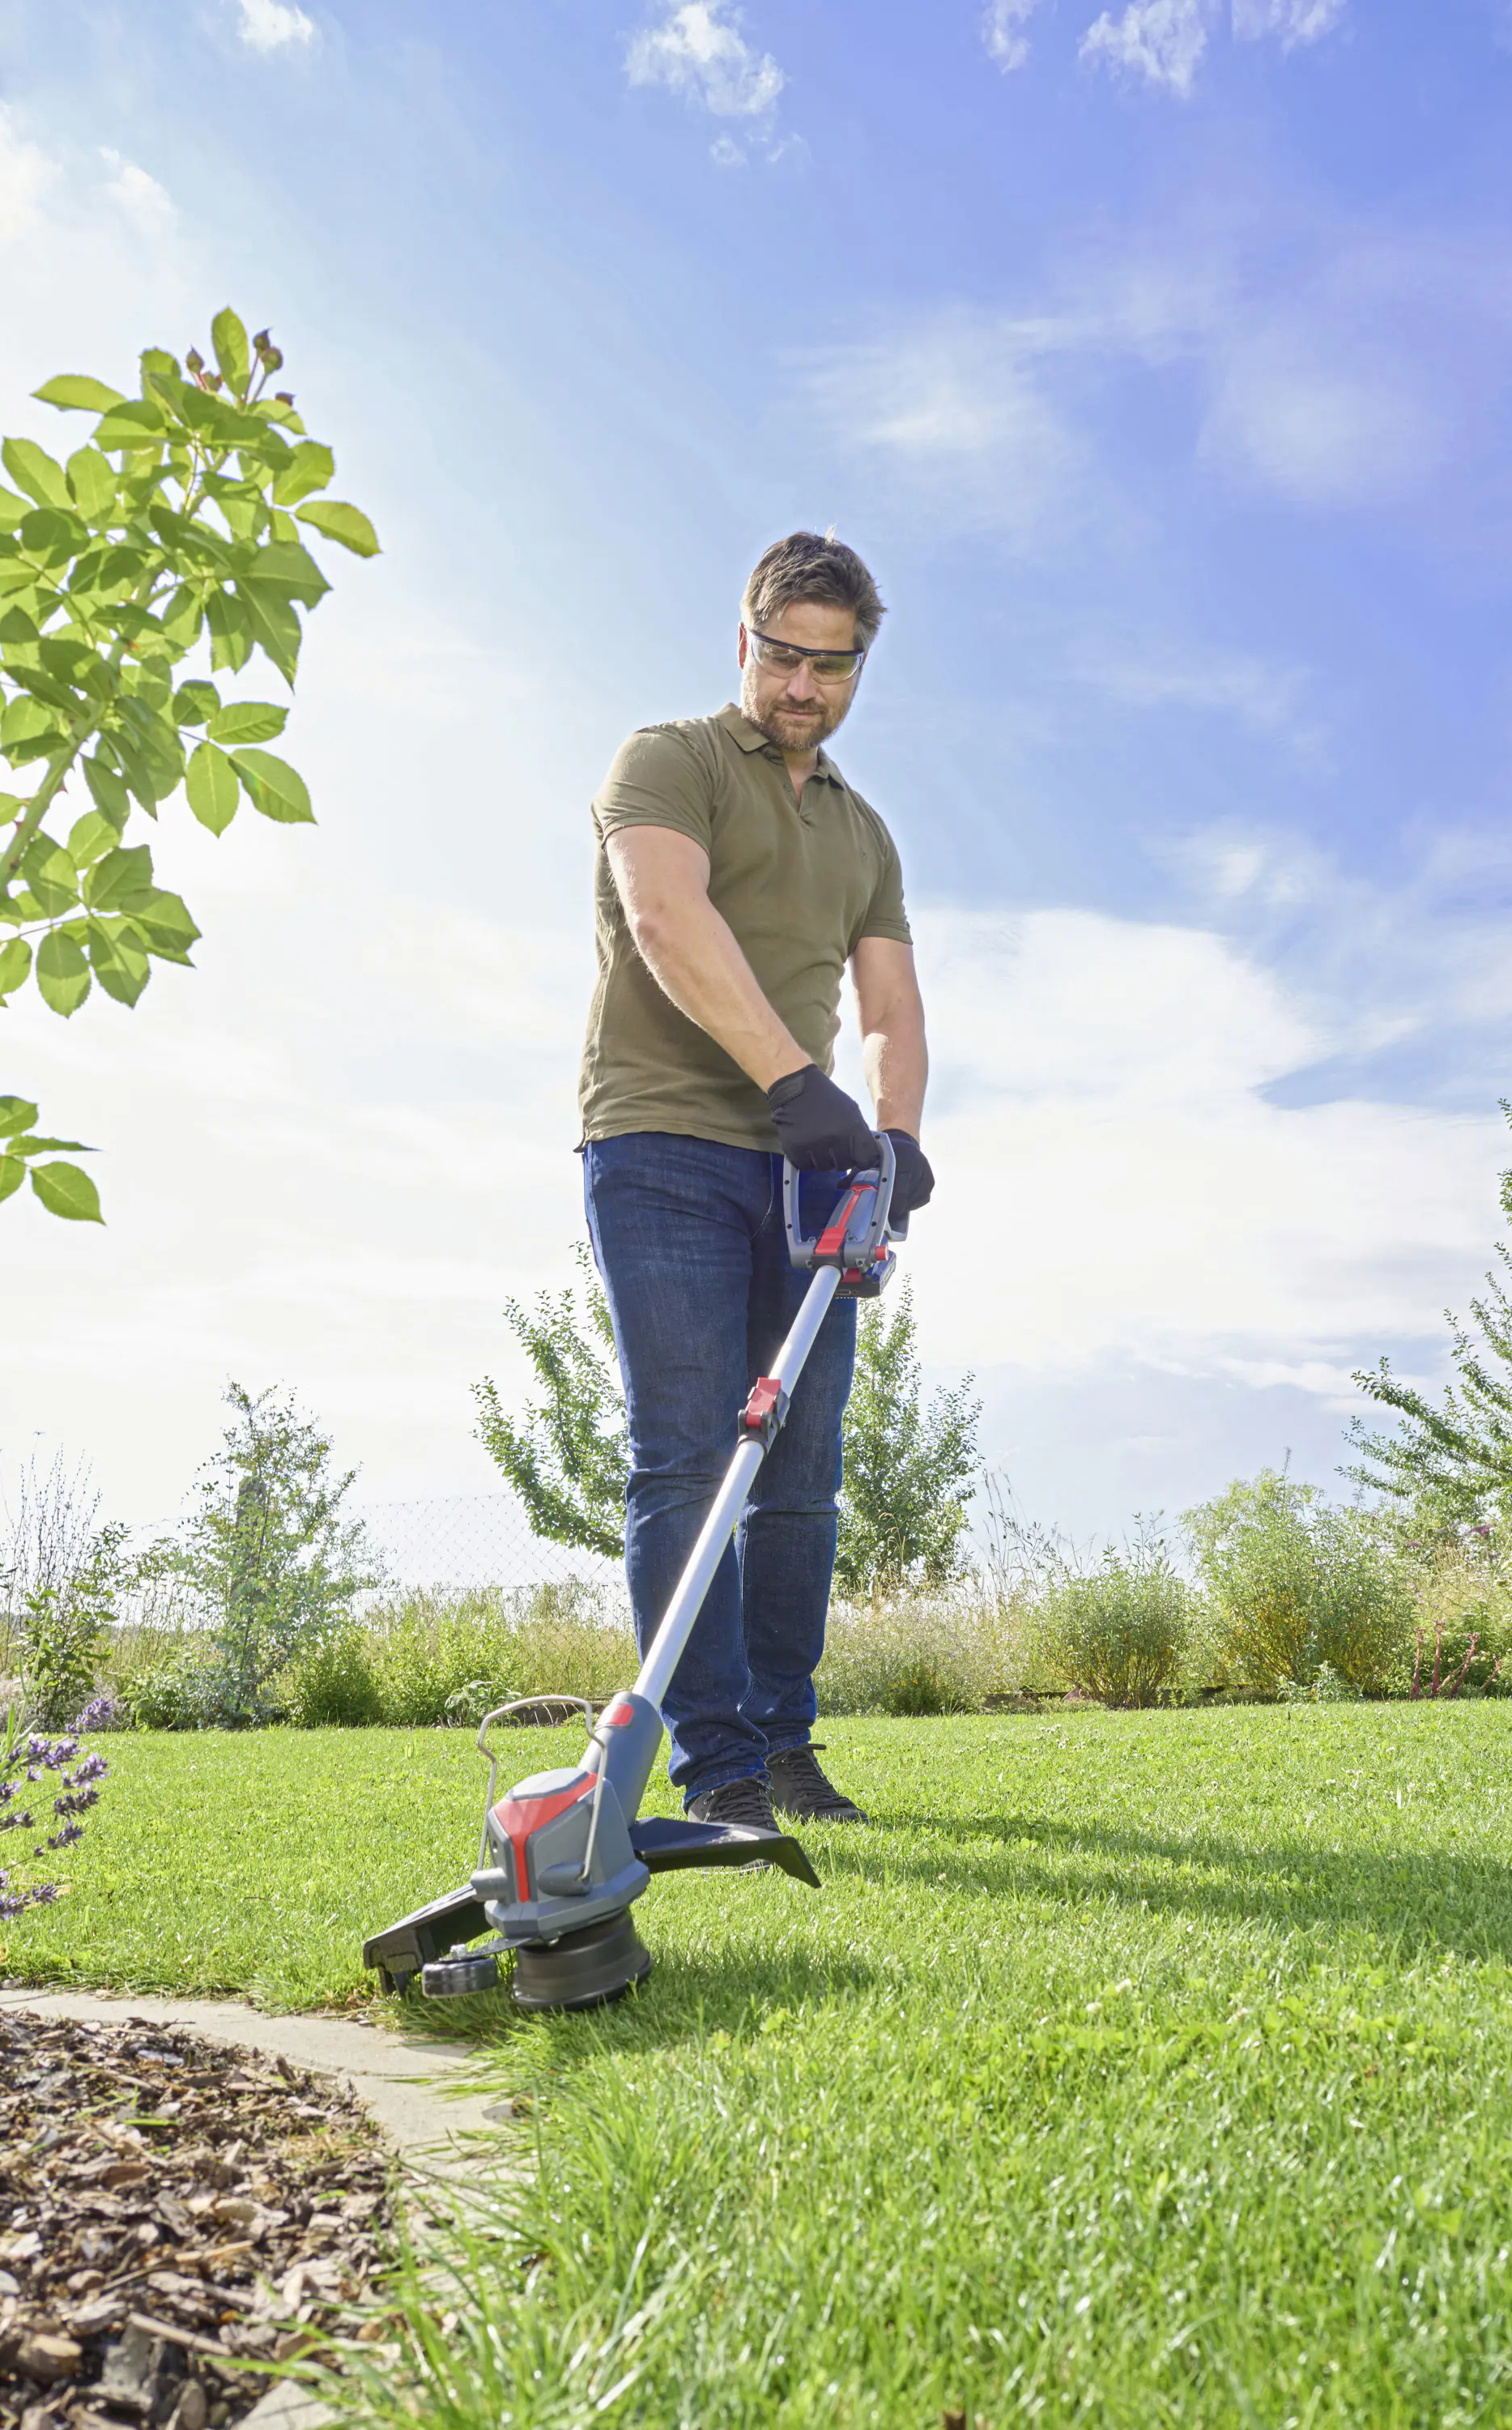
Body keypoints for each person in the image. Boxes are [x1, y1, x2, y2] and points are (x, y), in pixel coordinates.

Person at [578, 531, 933, 1835]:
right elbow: (670, 920)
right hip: (662, 1142)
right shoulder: (664, 760)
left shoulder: (863, 830)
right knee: (684, 1458)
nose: (804, 686)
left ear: (857, 672)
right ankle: (716, 1766)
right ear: (745, 640)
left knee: (802, 1473)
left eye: (832, 666)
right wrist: (796, 1085)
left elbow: (891, 1005)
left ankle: (785, 1746)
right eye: (785, 655)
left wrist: (891, 1138)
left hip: (813, 1174)